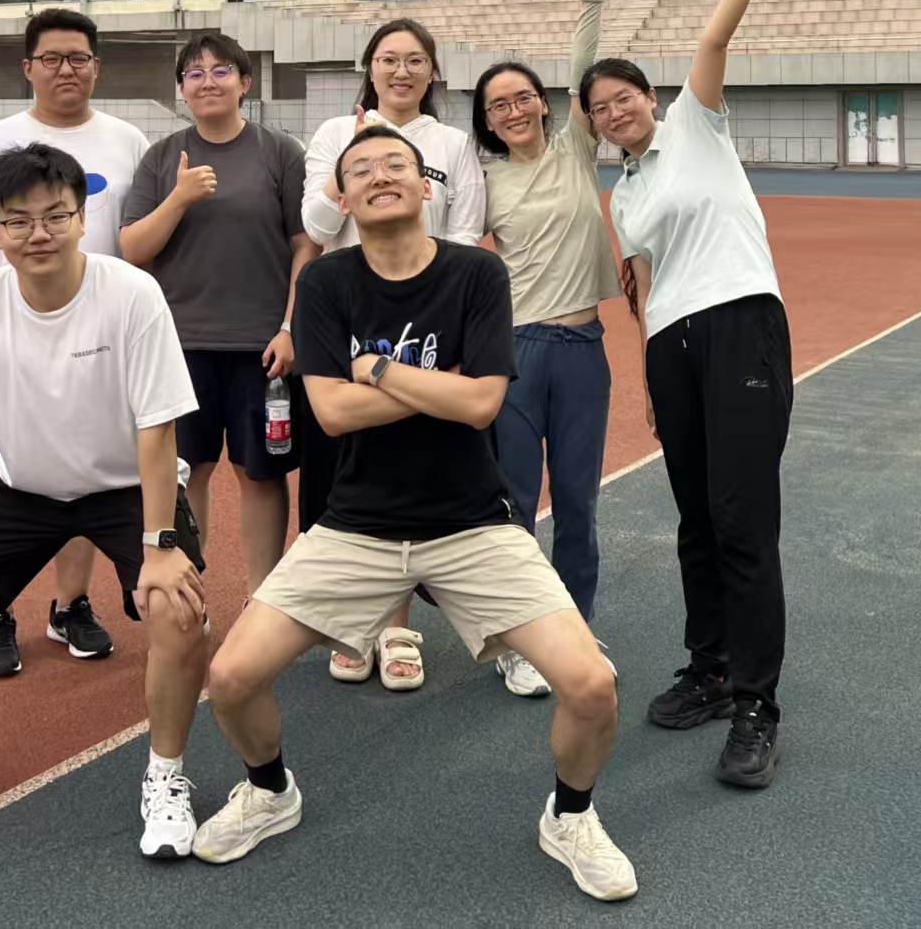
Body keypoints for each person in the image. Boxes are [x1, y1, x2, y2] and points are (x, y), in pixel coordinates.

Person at [192, 125, 636, 902]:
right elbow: (332, 414)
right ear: (343, 198)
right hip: (356, 524)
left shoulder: (474, 272)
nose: (379, 175)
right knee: (230, 676)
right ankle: (269, 790)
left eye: (395, 163)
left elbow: (482, 403)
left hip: (472, 522)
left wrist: (375, 368)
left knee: (590, 682)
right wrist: (439, 386)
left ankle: (569, 815)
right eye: (360, 169)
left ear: (425, 184)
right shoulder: (325, 282)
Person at [0, 143, 210, 860]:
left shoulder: (130, 294)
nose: (38, 233)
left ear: (83, 219)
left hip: (125, 487)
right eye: (18, 221)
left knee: (177, 611)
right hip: (23, 489)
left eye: (55, 215)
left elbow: (157, 429)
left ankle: (166, 774)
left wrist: (159, 547)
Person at [603, 0, 806, 790]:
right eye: (599, 107)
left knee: (741, 517)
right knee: (695, 517)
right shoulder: (623, 193)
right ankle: (711, 666)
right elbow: (641, 285)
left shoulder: (696, 120)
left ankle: (758, 701)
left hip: (739, 324)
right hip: (672, 345)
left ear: (649, 98)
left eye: (623, 97)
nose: (614, 112)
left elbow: (716, 36)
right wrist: (651, 373)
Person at [0, 8, 150, 675]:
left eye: (79, 57)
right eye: (52, 58)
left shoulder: (128, 140)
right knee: (8, 476)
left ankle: (70, 604)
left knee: (84, 471)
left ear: (96, 66)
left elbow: (142, 234)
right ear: (28, 67)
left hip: (101, 343)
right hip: (16, 345)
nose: (66, 70)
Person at [298, 18, 485, 690]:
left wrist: (444, 313)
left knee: (406, 469)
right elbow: (317, 227)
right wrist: (350, 158)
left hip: (423, 325)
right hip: (343, 316)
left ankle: (397, 626)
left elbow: (465, 234)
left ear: (432, 71)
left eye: (414, 60)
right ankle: (354, 620)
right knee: (340, 470)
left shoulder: (451, 143)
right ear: (369, 68)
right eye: (387, 59)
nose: (400, 71)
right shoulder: (333, 134)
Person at [469, 0, 631, 700]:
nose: (513, 109)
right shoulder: (485, 180)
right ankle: (513, 639)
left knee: (577, 503)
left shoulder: (576, 148)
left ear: (542, 102)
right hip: (515, 356)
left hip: (581, 350)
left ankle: (572, 629)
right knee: (512, 506)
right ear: (486, 119)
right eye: (497, 104)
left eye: (522, 96)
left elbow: (583, 63)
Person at [120, 32, 315, 595]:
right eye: (195, 73)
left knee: (261, 473)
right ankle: (189, 594)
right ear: (181, 89)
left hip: (262, 347)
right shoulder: (162, 158)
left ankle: (263, 597)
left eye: (221, 70)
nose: (207, 81)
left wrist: (289, 327)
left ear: (244, 83)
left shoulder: (280, 152)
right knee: (186, 473)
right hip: (181, 346)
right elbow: (133, 248)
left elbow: (305, 245)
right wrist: (179, 198)